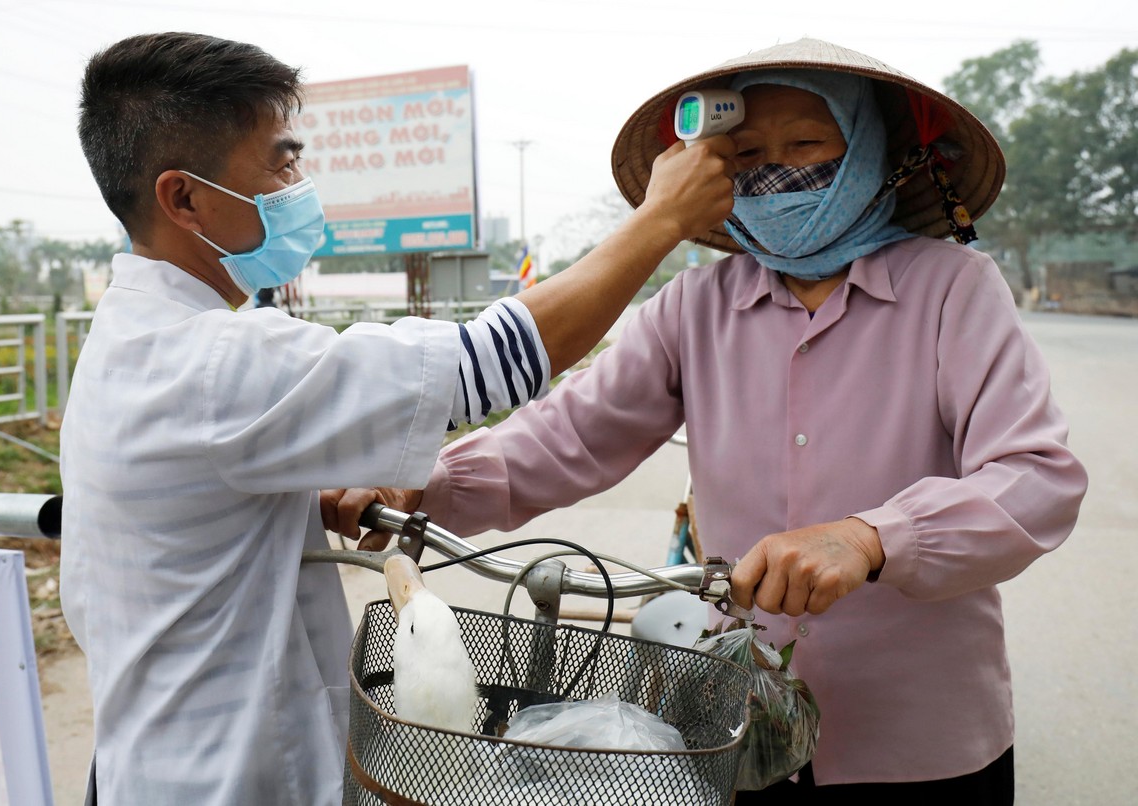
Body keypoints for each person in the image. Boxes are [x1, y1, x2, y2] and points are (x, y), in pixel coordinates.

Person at [330, 39, 1088, 803]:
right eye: (749, 152)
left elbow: (1033, 477)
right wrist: (423, 485)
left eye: (806, 145)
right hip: (735, 721)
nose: (777, 169)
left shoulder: (955, 290)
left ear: (866, 151)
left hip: (921, 734)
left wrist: (870, 537)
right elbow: (571, 432)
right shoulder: (692, 307)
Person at [59, 31, 737, 805]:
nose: (299, 182)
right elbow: (492, 361)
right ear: (183, 198)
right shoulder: (215, 363)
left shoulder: (129, 338)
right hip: (229, 778)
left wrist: (287, 502)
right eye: (280, 161)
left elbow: (182, 504)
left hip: (146, 763)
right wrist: (659, 221)